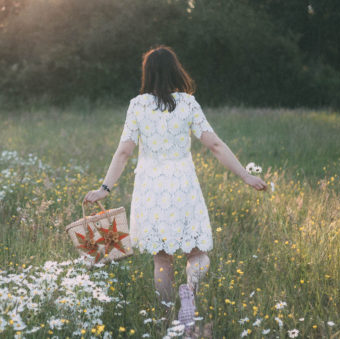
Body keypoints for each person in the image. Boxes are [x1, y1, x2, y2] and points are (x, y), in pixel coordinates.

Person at [83, 45, 267, 332]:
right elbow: (215, 145)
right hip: (183, 185)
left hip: (151, 187)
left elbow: (123, 153)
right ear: (175, 70)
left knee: (161, 258)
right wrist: (246, 176)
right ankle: (189, 291)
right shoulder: (188, 104)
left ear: (148, 73)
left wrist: (104, 189)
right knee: (198, 252)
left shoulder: (138, 105)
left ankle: (168, 319)